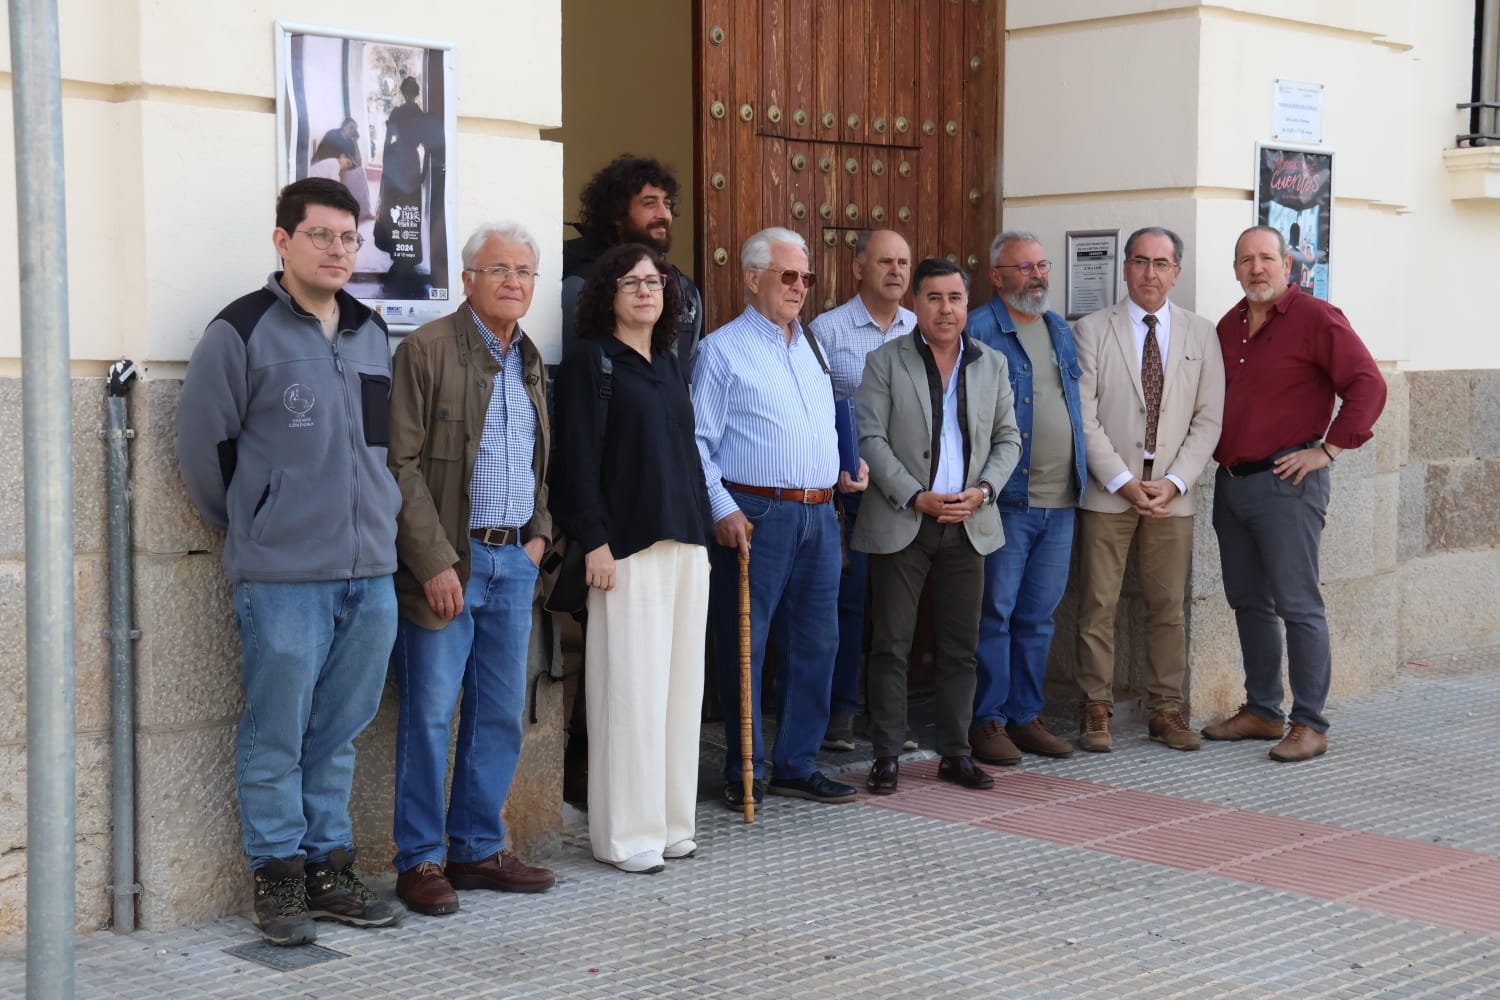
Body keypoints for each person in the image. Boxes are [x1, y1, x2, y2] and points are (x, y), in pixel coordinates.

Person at [176, 177, 403, 946]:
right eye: (320, 236)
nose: (338, 250)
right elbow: (206, 454)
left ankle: (329, 869)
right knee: (277, 730)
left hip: (368, 573)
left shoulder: (373, 333)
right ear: (283, 240)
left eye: (348, 237)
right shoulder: (239, 332)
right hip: (281, 578)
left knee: (338, 730)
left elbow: (382, 452)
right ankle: (277, 877)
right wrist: (258, 522)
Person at [387, 220, 556, 915]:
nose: (513, 282)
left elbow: (540, 461)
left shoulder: (532, 359)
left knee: (500, 716)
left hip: (514, 559)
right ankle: (420, 860)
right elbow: (397, 464)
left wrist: (538, 538)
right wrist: (433, 560)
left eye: (523, 271)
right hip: (447, 566)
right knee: (429, 714)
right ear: (467, 280)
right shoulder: (426, 351)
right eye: (498, 270)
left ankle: (478, 847)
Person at [550, 244, 714, 874]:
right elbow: (578, 461)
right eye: (632, 282)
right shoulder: (593, 361)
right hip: (626, 552)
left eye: (656, 281)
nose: (647, 291)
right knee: (631, 694)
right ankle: (626, 836)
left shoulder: (669, 362)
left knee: (680, 691)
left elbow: (688, 455)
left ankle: (673, 822)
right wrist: (593, 540)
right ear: (607, 294)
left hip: (685, 544)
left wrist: (702, 534)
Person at [693, 226, 867, 810]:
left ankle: (797, 761)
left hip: (820, 511)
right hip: (758, 513)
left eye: (806, 278)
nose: (799, 288)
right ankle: (747, 767)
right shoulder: (720, 349)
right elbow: (697, 441)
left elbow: (819, 423)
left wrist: (845, 467)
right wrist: (723, 509)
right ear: (752, 278)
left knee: (817, 641)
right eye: (787, 275)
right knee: (748, 642)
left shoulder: (810, 344)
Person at [1200, 225, 1386, 762]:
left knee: (1298, 605)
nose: (1256, 269)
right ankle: (1262, 710)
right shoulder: (1227, 326)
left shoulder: (1316, 318)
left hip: (1288, 484)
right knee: (1248, 601)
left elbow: (1368, 384)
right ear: (1235, 269)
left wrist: (1327, 450)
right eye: (1245, 260)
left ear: (1288, 264)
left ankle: (1310, 723)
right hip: (1232, 484)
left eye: (1266, 259)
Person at [853, 258, 1021, 795]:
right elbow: (870, 440)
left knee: (959, 646)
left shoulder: (992, 363)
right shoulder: (885, 361)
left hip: (968, 520)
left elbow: (1008, 439)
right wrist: (914, 494)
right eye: (934, 298)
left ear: (966, 305)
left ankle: (955, 752)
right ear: (916, 304)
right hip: (905, 518)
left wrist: (984, 491)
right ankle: (885, 754)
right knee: (891, 644)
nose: (946, 309)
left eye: (955, 298)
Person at [1072, 227, 1225, 753]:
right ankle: (1096, 708)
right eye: (1140, 262)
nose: (1150, 274)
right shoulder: (1091, 330)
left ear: (1176, 272)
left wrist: (1175, 481)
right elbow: (1083, 417)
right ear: (1125, 268)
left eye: (1161, 264)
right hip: (1108, 490)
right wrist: (1120, 478)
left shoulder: (1202, 334)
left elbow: (1209, 419)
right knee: (1097, 604)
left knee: (1167, 607)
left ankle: (1166, 709)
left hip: (1172, 495)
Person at [965, 231, 1088, 765]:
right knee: (995, 613)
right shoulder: (979, 328)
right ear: (997, 276)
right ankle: (987, 720)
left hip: (1061, 501)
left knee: (1038, 616)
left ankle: (1025, 715)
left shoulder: (1060, 328)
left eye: (1042, 266)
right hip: (1006, 500)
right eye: (1023, 268)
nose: (1037, 276)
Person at [806, 229, 918, 753]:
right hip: (851, 492)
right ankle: (840, 715)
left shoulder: (920, 329)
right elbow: (815, 411)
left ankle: (891, 719)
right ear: (858, 268)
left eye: (902, 263)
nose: (895, 272)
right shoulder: (826, 331)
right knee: (847, 605)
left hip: (909, 496)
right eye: (884, 262)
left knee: (899, 609)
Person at [561, 154, 702, 383]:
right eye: (649, 203)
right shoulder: (580, 285)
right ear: (617, 213)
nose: (663, 214)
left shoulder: (686, 291)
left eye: (667, 204)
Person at [375, 76, 437, 273]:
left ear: (403, 92)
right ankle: (407, 253)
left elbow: (387, 140)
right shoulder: (421, 116)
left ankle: (398, 252)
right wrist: (423, 174)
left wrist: (386, 165)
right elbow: (428, 149)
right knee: (408, 208)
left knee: (395, 205)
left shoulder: (398, 112)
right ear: (415, 92)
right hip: (409, 162)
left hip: (398, 159)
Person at [309, 118, 372, 221]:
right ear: (343, 126)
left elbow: (358, 162)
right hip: (330, 167)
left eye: (355, 128)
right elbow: (324, 156)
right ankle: (344, 212)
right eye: (351, 127)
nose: (353, 130)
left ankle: (365, 212)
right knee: (348, 178)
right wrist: (341, 170)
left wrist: (356, 142)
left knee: (360, 172)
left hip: (342, 167)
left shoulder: (350, 142)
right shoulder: (333, 134)